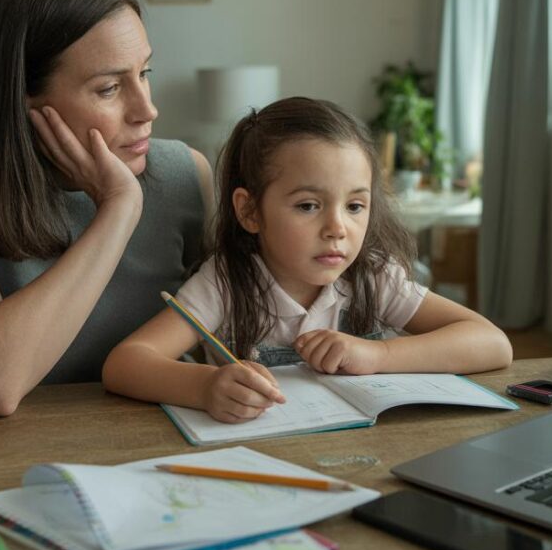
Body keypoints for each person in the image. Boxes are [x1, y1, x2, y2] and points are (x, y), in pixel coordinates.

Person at [0, 0, 213, 417]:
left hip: (172, 437)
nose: (147, 110)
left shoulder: (186, 173)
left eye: (144, 74)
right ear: (21, 98)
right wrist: (119, 210)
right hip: (23, 452)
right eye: (108, 88)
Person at [102, 97, 512, 423]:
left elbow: (492, 344)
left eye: (354, 206)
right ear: (250, 211)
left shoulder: (371, 275)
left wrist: (378, 356)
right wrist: (205, 387)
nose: (337, 228)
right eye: (308, 206)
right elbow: (126, 363)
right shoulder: (225, 282)